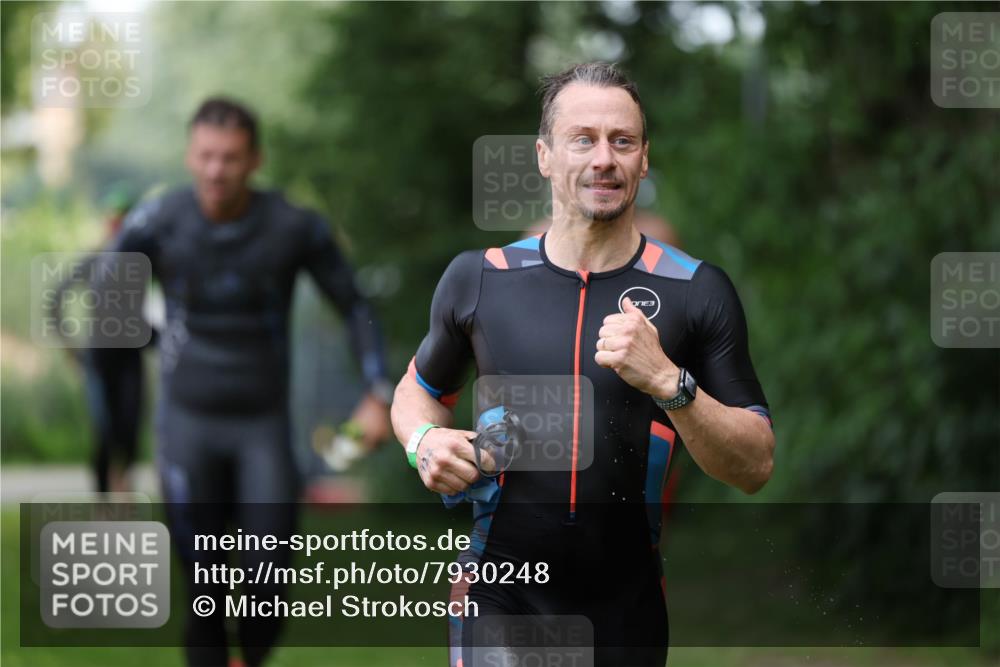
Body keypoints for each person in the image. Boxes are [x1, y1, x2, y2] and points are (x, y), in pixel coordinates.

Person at [390, 63, 775, 666]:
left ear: (643, 160)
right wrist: (424, 442)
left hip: (626, 608)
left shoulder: (696, 291)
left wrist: (668, 383)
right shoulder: (481, 278)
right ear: (544, 156)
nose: (604, 159)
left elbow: (754, 465)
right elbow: (416, 392)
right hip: (498, 592)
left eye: (622, 141)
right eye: (582, 140)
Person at [111, 98, 393, 667]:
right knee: (206, 592)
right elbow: (106, 292)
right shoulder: (158, 221)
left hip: (261, 427)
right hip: (186, 426)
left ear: (255, 159)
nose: (217, 170)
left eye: (231, 158)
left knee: (266, 589)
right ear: (190, 156)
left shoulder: (292, 226)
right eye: (206, 156)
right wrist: (150, 343)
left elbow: (354, 304)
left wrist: (378, 391)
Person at [52, 185, 144, 493]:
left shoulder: (142, 261)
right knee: (104, 428)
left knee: (129, 426)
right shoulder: (94, 260)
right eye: (113, 218)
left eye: (124, 219)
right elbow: (56, 300)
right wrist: (70, 348)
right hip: (98, 357)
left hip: (130, 356)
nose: (118, 225)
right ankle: (103, 497)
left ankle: (123, 484)